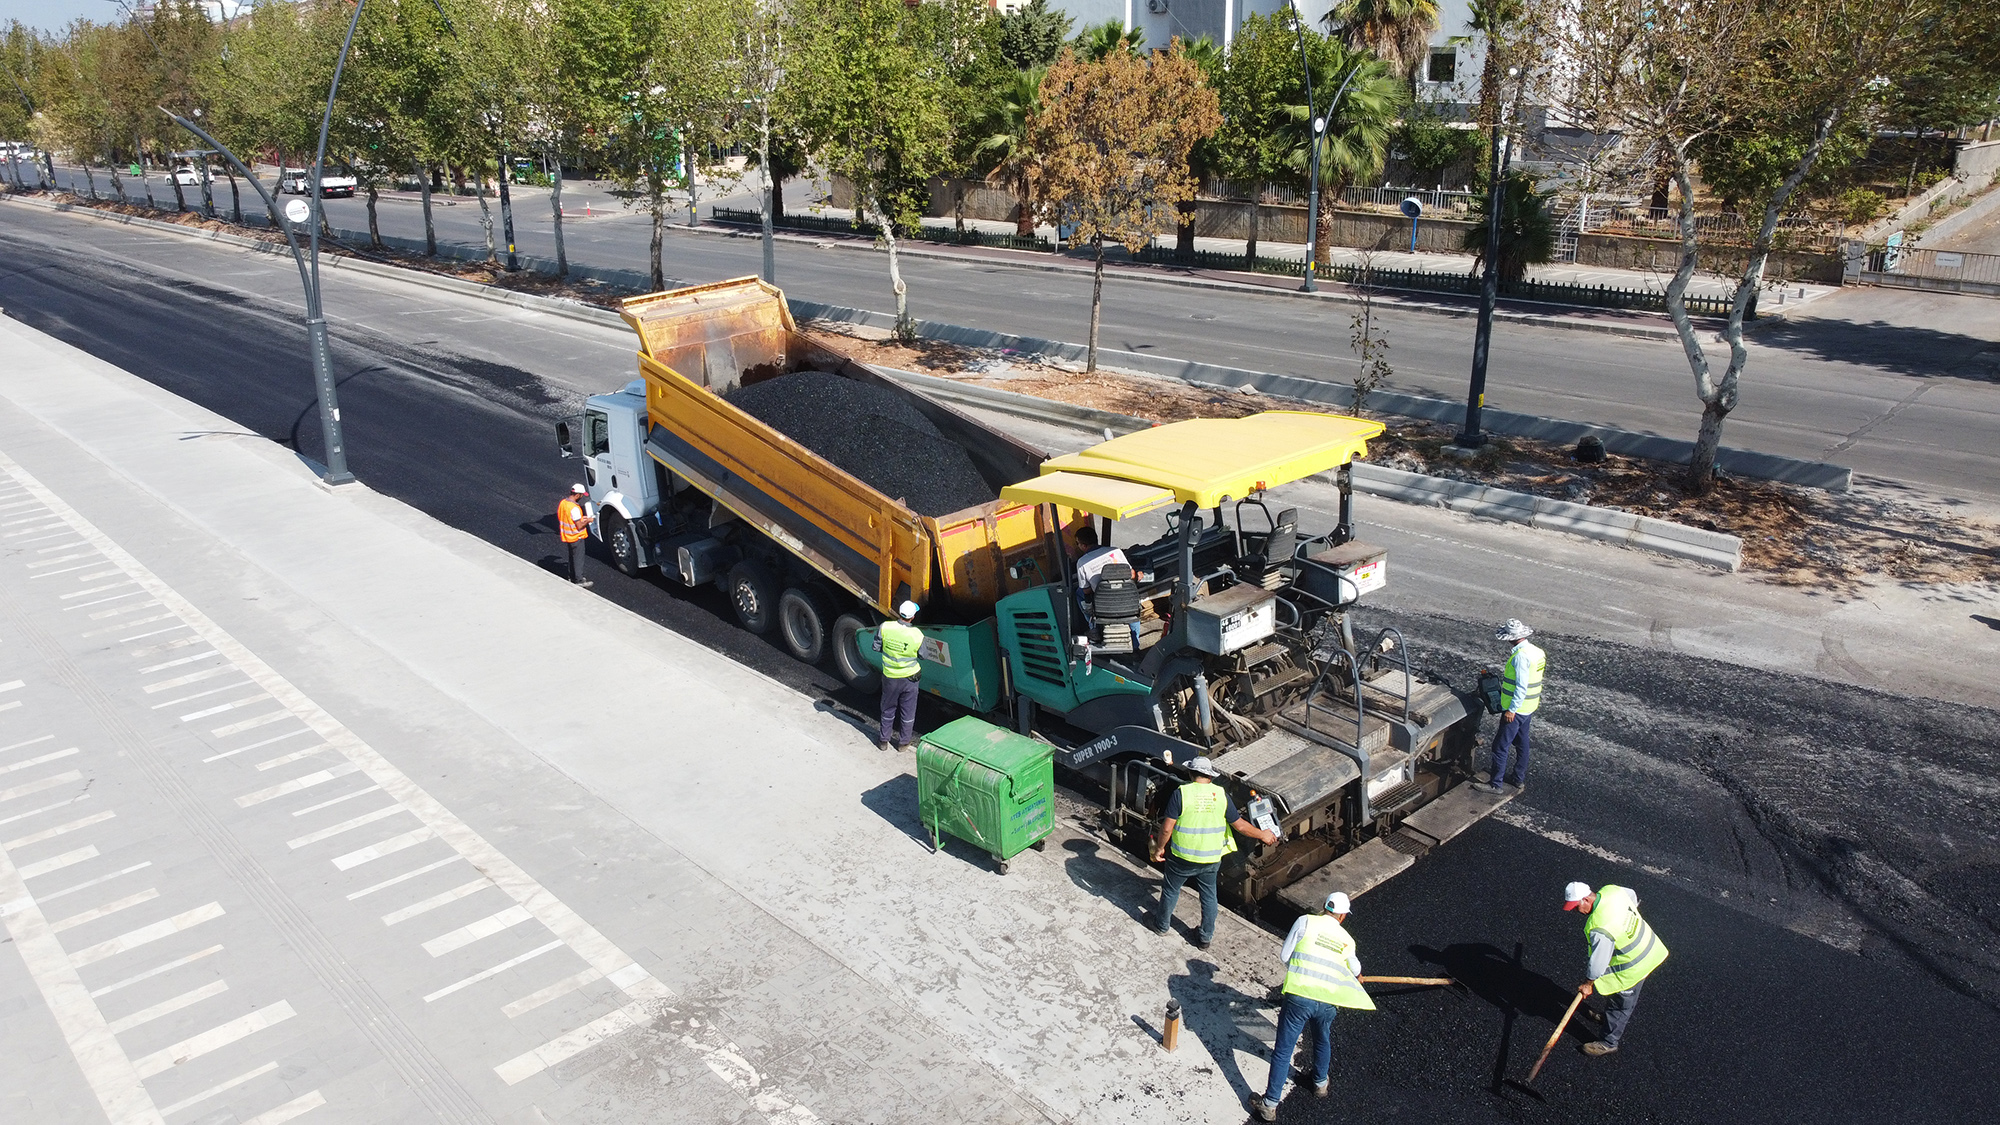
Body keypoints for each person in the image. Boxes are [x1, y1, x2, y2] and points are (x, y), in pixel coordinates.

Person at [1252, 892, 1375, 1121]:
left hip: (1299, 996)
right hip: (1328, 1000)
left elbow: (1285, 955)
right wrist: (1358, 976)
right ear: (1342, 917)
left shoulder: (1305, 921)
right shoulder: (1347, 940)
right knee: (1322, 1038)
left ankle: (1269, 1105)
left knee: (1283, 1050)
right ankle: (1320, 1083)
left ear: (1323, 906)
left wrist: (1301, 966)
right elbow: (1355, 968)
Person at [1149, 756, 1279, 948]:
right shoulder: (1221, 795)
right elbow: (1240, 826)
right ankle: (1204, 938)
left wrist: (1159, 848)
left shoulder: (1182, 793)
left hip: (1182, 858)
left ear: (1191, 773)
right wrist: (1263, 835)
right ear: (1210, 777)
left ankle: (1161, 926)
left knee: (1171, 890)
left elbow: (1167, 828)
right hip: (1210, 859)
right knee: (1209, 896)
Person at [1565, 880, 1670, 1056]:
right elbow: (1632, 896)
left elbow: (1598, 964)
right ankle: (1607, 1019)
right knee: (1616, 1000)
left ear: (1586, 899)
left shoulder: (1600, 926)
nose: (1576, 911)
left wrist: (1587, 984)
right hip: (1649, 947)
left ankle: (1608, 1042)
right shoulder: (1611, 891)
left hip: (1635, 966)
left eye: (1576, 907)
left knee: (1621, 1006)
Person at [1485, 618, 1546, 791]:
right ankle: (1518, 778)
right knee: (1522, 743)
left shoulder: (1520, 657)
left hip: (1516, 709)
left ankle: (1495, 784)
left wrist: (1511, 710)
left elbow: (1521, 686)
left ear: (1510, 638)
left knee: (1499, 747)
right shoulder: (1537, 651)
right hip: (1529, 707)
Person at [876, 600, 924, 753]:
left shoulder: (885, 627)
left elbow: (876, 646)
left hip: (890, 677)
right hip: (910, 679)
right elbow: (923, 655)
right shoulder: (917, 634)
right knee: (908, 711)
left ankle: (883, 741)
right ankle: (903, 744)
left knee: (888, 709)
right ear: (912, 617)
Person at [557, 484, 595, 587]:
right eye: (581, 495)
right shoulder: (574, 508)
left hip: (568, 535)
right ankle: (579, 580)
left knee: (572, 557)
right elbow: (579, 526)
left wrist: (582, 518)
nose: (582, 497)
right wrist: (588, 521)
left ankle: (571, 577)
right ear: (577, 495)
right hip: (576, 537)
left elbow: (568, 518)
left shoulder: (563, 503)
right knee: (578, 559)